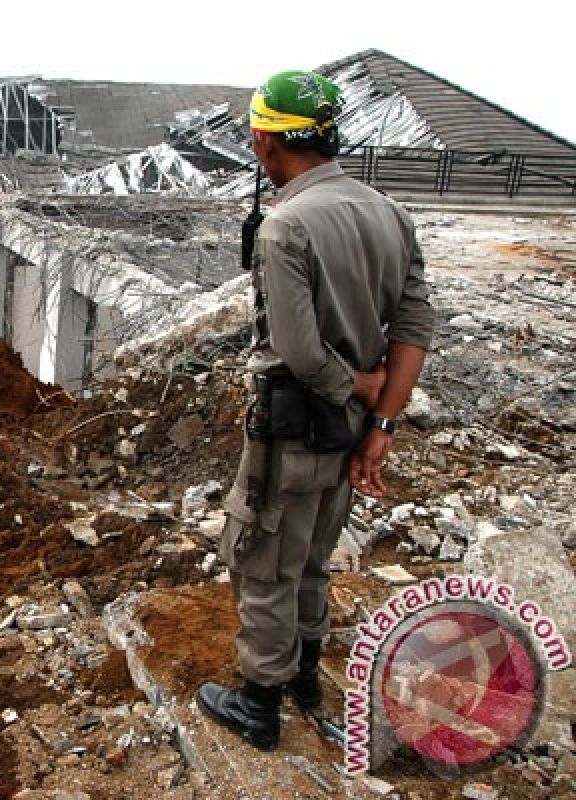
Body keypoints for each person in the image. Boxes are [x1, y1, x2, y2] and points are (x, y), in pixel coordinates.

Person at [196, 69, 434, 751]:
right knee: (314, 555)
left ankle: (260, 707)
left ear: (266, 144)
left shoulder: (286, 226)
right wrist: (381, 420)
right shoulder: (390, 214)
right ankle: (303, 675)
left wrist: (355, 387)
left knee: (265, 558)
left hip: (297, 424)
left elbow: (301, 354)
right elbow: (414, 324)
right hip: (352, 432)